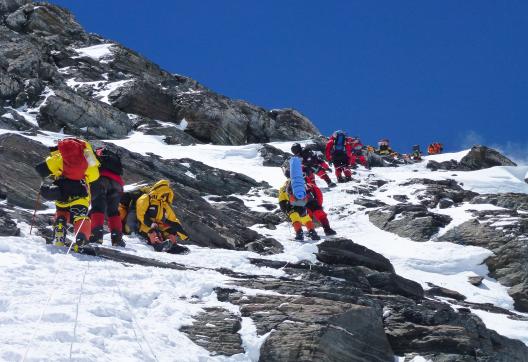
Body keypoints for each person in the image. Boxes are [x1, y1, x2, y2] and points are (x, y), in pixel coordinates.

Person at [35, 138, 100, 251]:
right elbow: (95, 177)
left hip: (61, 191)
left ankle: (60, 226)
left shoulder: (59, 158)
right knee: (80, 216)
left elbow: (40, 169)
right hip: (80, 192)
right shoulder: (87, 160)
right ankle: (81, 239)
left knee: (62, 212)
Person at [135, 180, 189, 253]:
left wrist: (183, 234)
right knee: (154, 232)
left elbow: (173, 220)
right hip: (144, 224)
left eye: (167, 194)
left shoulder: (164, 205)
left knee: (172, 231)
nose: (165, 195)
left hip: (159, 226)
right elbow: (140, 214)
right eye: (164, 193)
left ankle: (173, 246)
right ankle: (157, 245)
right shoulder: (146, 198)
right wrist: (151, 223)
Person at [89, 146, 126, 247]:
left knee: (98, 207)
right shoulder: (114, 160)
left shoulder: (97, 154)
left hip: (101, 180)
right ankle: (117, 238)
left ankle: (96, 235)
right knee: (113, 211)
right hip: (118, 184)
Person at [278, 164, 320, 241]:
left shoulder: (284, 186)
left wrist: (284, 209)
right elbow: (308, 194)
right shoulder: (300, 183)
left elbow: (282, 198)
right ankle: (313, 233)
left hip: (291, 205)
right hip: (302, 204)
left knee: (295, 219)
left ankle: (299, 234)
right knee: (306, 219)